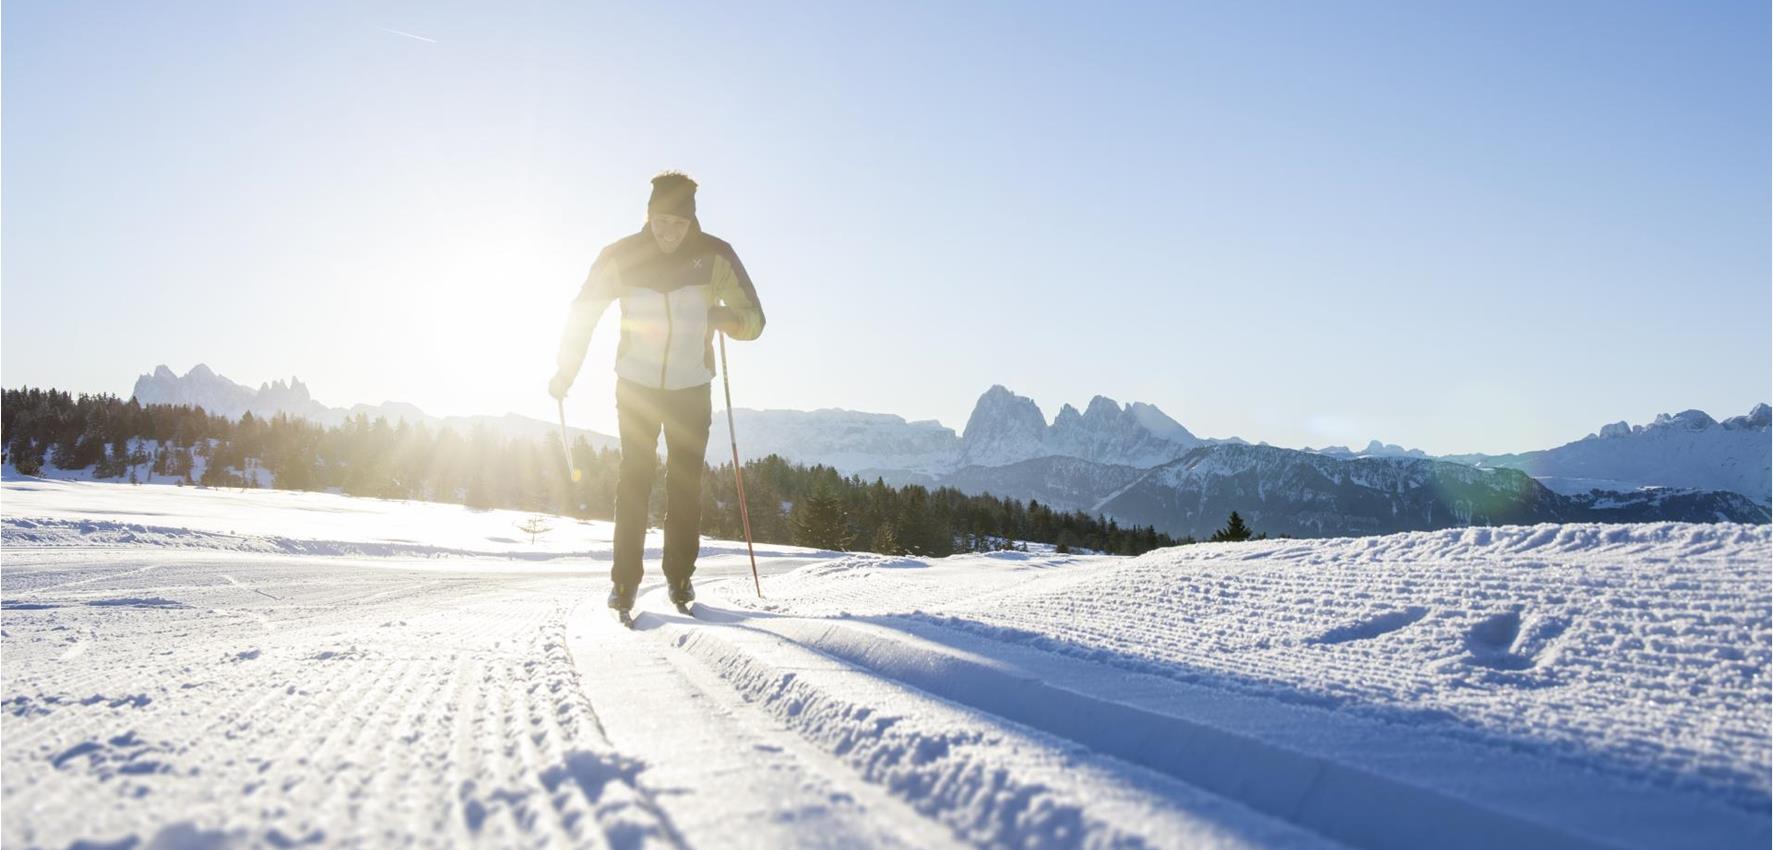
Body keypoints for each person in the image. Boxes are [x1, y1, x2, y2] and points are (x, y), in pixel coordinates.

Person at [549, 171, 766, 614]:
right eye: (662, 222)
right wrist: (565, 371)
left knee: (685, 486)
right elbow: (583, 314)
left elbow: (755, 319)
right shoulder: (620, 257)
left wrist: (721, 318)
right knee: (635, 480)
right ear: (648, 215)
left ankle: (680, 577)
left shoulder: (715, 256)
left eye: (679, 225)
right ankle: (624, 583)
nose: (669, 234)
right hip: (636, 386)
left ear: (692, 222)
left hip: (691, 388)